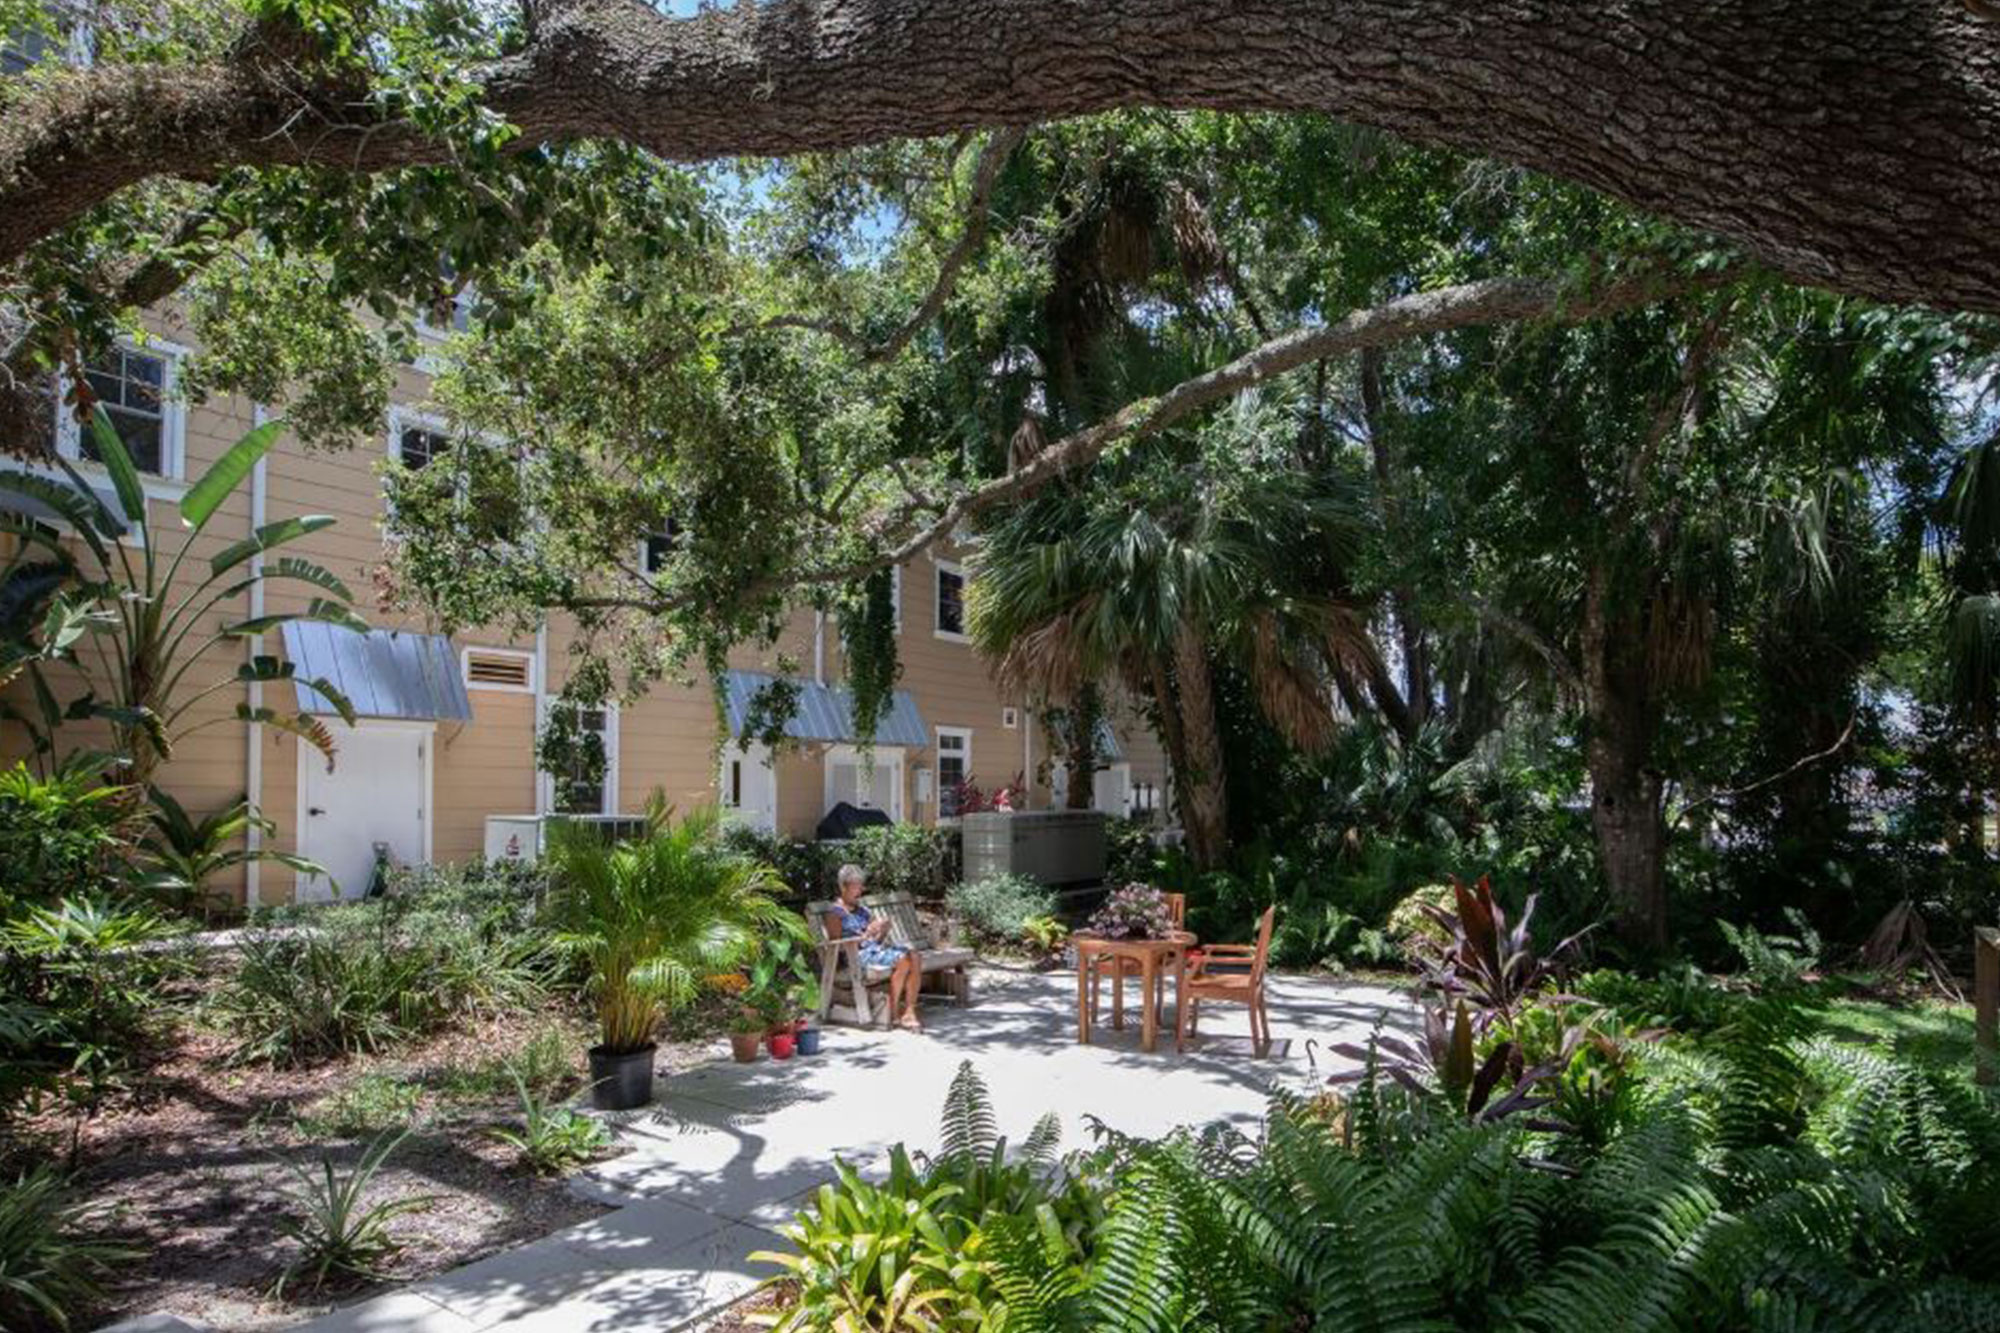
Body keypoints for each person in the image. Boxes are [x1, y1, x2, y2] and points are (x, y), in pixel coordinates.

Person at [825, 863, 923, 1031]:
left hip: (873, 951)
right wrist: (865, 935)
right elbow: (836, 945)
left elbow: (876, 941)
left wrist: (882, 929)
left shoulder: (862, 910)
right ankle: (893, 1013)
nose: (860, 891)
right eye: (856, 887)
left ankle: (909, 1011)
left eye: (860, 887)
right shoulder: (835, 913)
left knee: (914, 956)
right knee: (904, 960)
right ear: (843, 887)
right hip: (855, 959)